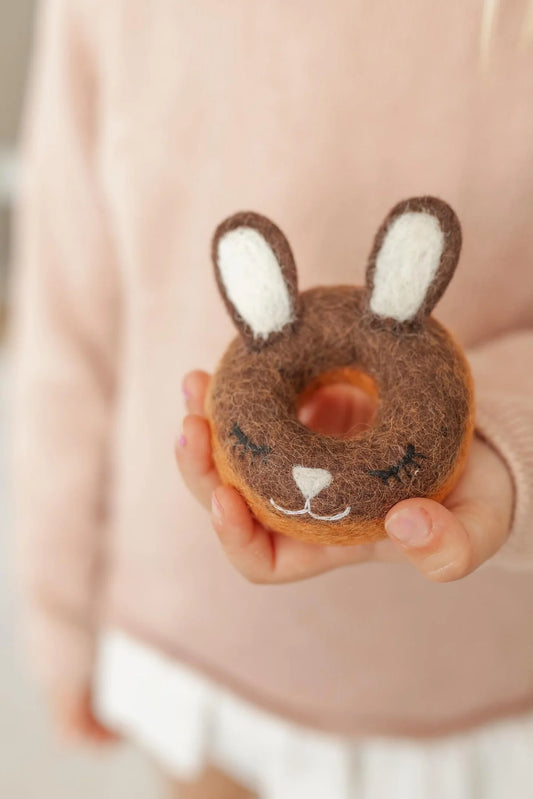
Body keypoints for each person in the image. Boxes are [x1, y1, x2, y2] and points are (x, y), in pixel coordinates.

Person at [11, 1, 533, 797]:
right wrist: (60, 614)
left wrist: (501, 436)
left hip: (481, 689)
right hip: (193, 657)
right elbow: (68, 318)